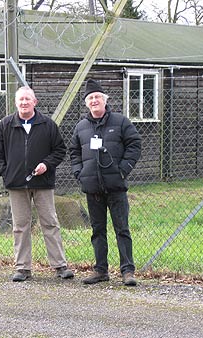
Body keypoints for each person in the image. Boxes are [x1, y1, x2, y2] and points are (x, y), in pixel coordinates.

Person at [0, 86, 74, 282]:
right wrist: (6, 172)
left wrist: (47, 164)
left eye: (28, 99)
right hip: (16, 185)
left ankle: (60, 266)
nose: (24, 103)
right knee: (20, 226)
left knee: (50, 223)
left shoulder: (48, 125)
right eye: (21, 100)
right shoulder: (6, 125)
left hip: (43, 183)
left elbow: (60, 150)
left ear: (35, 102)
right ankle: (22, 268)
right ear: (16, 103)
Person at [69, 79, 141, 286]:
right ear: (86, 103)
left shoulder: (120, 122)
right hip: (92, 188)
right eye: (90, 98)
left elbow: (134, 144)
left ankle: (127, 271)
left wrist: (124, 169)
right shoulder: (81, 127)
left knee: (122, 229)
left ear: (104, 100)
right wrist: (79, 173)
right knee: (97, 230)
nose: (94, 101)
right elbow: (73, 151)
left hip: (115, 186)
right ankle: (100, 270)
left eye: (97, 97)